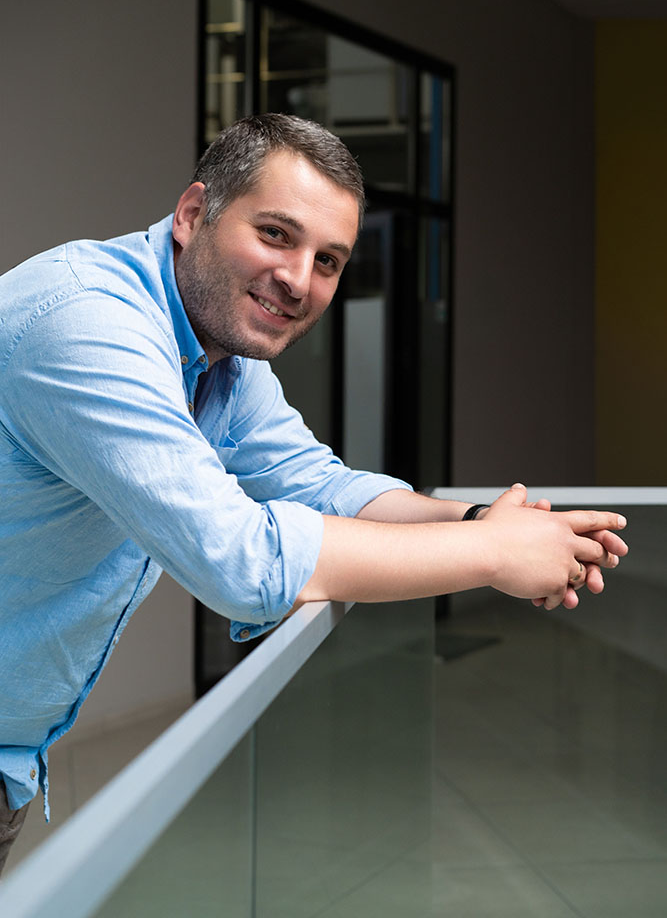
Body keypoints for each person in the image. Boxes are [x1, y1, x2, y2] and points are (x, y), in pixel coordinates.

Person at [0, 114, 627, 874]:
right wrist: (489, 553)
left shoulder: (220, 358)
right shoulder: (85, 325)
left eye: (327, 260)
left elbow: (320, 485)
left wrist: (476, 520)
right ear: (193, 214)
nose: (299, 280)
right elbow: (239, 562)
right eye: (275, 234)